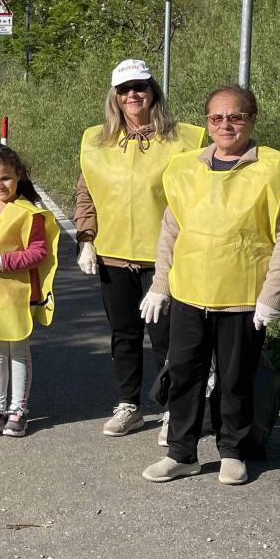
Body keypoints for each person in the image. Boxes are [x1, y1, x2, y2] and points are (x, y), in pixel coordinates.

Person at [140, 86, 280, 486]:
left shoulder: (273, 170)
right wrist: (160, 285)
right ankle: (181, 452)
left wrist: (272, 295)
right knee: (183, 374)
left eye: (235, 117)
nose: (226, 125)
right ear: (207, 123)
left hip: (242, 296)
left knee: (235, 378)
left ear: (252, 119)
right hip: (188, 292)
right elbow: (170, 230)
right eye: (216, 118)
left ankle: (232, 449)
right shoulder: (185, 169)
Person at [74, 58, 205, 440]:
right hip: (113, 256)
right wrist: (86, 239)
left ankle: (172, 410)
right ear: (114, 97)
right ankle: (129, 404)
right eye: (124, 89)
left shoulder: (184, 140)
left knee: (167, 339)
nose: (133, 94)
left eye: (140, 87)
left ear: (153, 91)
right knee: (124, 334)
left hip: (164, 258)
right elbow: (86, 194)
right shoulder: (95, 140)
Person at [0, 146, 59, 439]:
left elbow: (38, 252)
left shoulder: (29, 213)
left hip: (15, 294)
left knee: (17, 352)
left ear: (18, 175)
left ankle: (18, 410)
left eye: (5, 178)